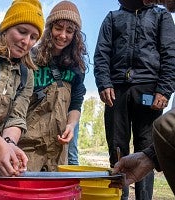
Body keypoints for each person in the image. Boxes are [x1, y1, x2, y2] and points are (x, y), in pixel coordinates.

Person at [93, 0, 175, 199]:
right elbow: (101, 53)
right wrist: (104, 83)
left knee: (146, 146)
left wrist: (164, 89)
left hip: (150, 89)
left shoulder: (161, 15)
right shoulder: (112, 17)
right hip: (116, 90)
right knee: (117, 145)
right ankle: (119, 195)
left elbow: (170, 53)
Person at [0, 0, 44, 198]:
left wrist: (9, 145)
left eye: (33, 37)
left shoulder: (27, 74)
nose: (26, 42)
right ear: (6, 27)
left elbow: (16, 118)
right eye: (22, 31)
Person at [18, 1, 87, 172]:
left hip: (58, 146)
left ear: (75, 35)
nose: (63, 35)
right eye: (58, 28)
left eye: (69, 31)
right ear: (49, 29)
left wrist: (71, 126)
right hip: (27, 144)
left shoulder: (76, 67)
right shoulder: (29, 59)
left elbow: (76, 104)